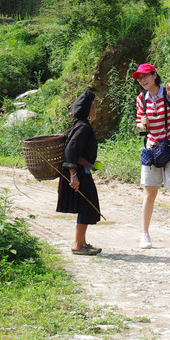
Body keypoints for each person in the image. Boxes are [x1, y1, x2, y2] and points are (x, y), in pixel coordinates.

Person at [133, 62, 170, 250]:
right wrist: (142, 125)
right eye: (140, 78)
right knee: (149, 194)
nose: (143, 80)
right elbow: (139, 121)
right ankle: (145, 234)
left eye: (146, 76)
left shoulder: (167, 93)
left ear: (155, 75)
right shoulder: (142, 98)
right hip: (152, 149)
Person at [56, 89, 102, 255]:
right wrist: (74, 176)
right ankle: (77, 245)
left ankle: (82, 242)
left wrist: (91, 164)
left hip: (83, 171)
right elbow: (70, 151)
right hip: (79, 174)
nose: (96, 108)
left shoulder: (82, 126)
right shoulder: (83, 128)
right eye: (93, 106)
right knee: (86, 207)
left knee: (87, 207)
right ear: (88, 110)